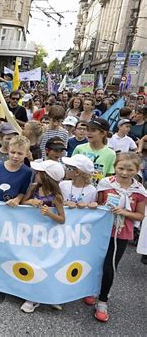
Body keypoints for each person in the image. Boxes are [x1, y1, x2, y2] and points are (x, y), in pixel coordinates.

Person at [84, 153, 146, 322]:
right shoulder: (105, 184)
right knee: (95, 262)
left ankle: (103, 300)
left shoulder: (139, 191)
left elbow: (140, 215)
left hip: (121, 233)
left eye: (130, 169)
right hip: (100, 230)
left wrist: (124, 212)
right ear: (115, 166)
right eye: (121, 168)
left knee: (110, 266)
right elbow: (97, 204)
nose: (124, 173)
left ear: (137, 169)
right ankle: (92, 290)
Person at [20, 159, 66, 312]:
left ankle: (37, 297)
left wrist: (49, 214)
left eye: (40, 173)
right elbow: (24, 201)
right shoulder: (33, 188)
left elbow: (62, 219)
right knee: (30, 261)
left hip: (48, 237)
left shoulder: (56, 197)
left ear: (47, 177)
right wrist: (30, 202)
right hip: (30, 233)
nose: (36, 174)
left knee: (45, 264)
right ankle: (31, 292)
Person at [0, 135, 32, 206]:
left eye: (20, 153)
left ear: (26, 154)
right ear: (8, 150)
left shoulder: (27, 172)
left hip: (11, 209)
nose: (15, 156)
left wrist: (17, 199)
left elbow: (23, 191)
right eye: (13, 152)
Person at [72, 118, 116, 185]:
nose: (88, 133)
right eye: (88, 130)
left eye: (93, 130)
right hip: (78, 188)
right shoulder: (79, 148)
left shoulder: (111, 154)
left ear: (103, 133)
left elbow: (109, 177)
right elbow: (71, 170)